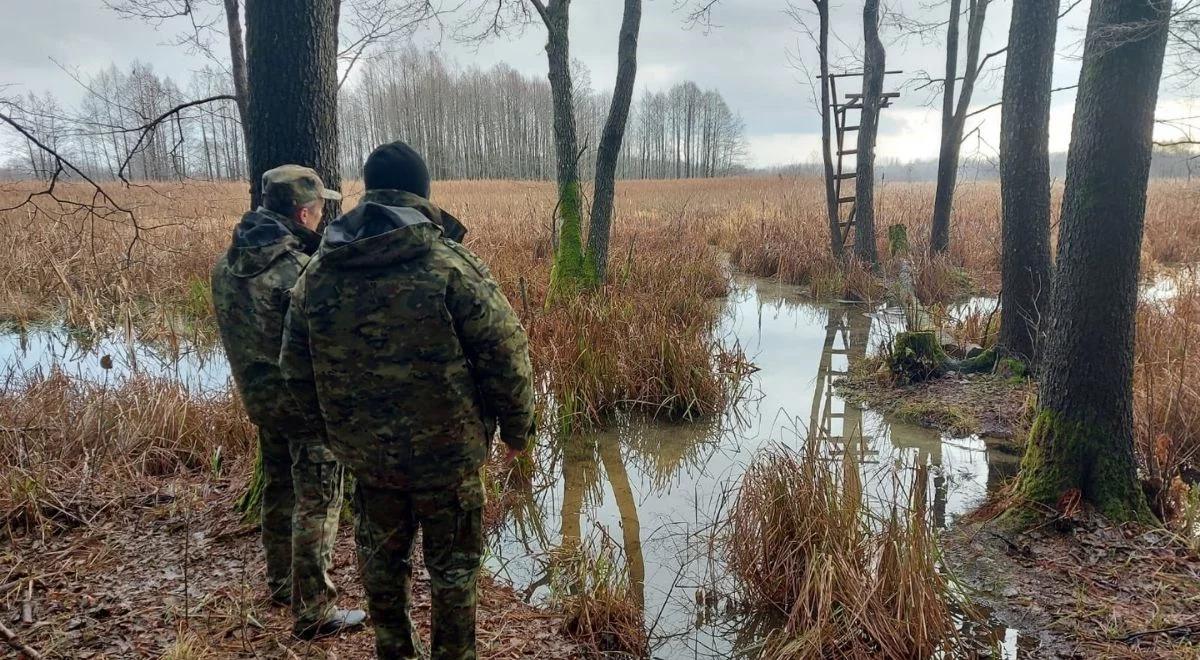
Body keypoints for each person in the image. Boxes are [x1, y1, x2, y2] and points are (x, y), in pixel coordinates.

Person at [279, 142, 535, 659]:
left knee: (381, 564)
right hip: (450, 458)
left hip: (369, 460)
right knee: (455, 571)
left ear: (369, 191)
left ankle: (395, 652)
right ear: (423, 193)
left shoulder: (319, 273)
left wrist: (336, 434)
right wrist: (518, 431)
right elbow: (505, 353)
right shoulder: (449, 265)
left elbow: (295, 370)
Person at [211, 165, 366, 639]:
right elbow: (334, 343)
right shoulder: (300, 272)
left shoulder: (227, 263)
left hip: (261, 401)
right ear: (303, 212)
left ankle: (281, 582)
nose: (322, 219)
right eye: (320, 210)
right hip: (306, 407)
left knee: (279, 490)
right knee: (318, 501)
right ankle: (315, 610)